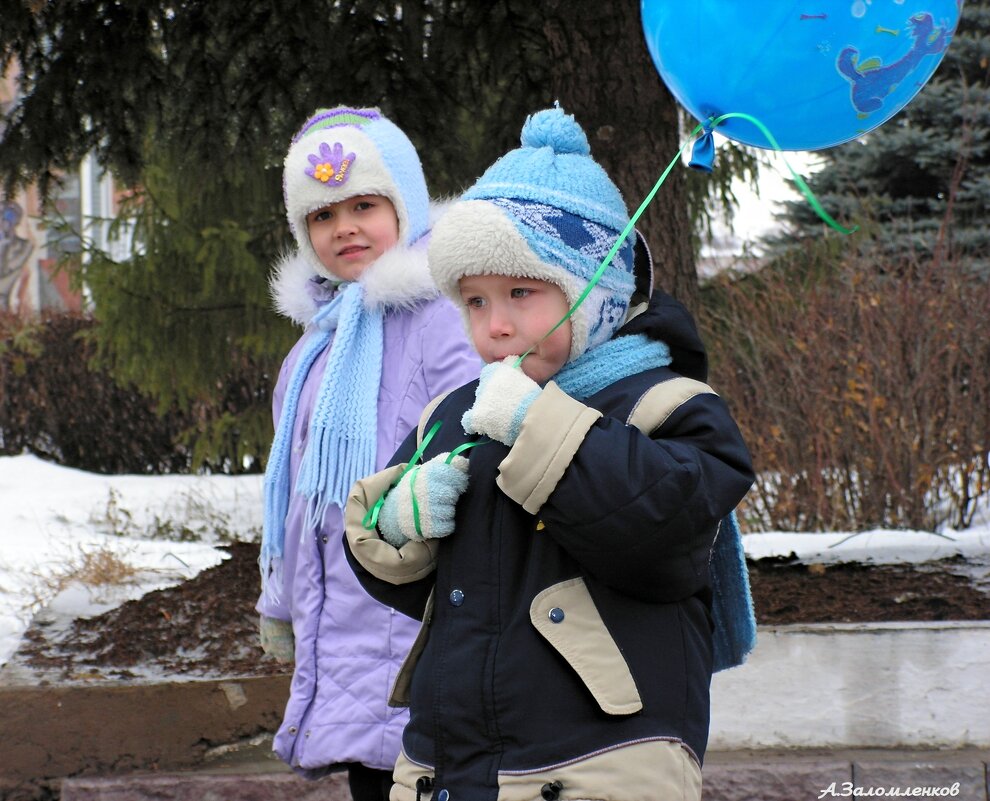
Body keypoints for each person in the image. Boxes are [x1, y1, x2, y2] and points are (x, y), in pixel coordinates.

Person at [343, 106, 755, 801]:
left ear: (594, 296)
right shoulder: (458, 413)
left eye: (522, 293)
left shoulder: (669, 406)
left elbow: (664, 534)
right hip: (448, 766)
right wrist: (397, 524)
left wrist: (537, 424)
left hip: (598, 763)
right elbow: (422, 584)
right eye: (473, 301)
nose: (495, 325)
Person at [256, 106, 482, 800]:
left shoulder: (445, 317)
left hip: (422, 617)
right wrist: (280, 601)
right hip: (347, 627)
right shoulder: (313, 350)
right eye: (323, 215)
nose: (344, 226)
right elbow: (295, 497)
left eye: (364, 204)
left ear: (405, 205)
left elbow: (475, 443)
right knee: (372, 776)